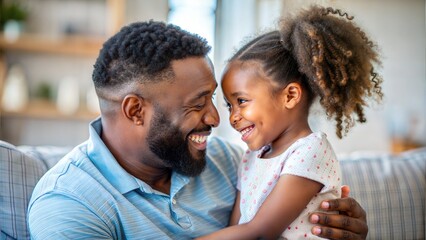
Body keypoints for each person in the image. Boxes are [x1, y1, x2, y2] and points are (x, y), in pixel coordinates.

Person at [28, 20, 369, 239]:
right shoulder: (69, 203)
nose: (218, 119)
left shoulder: (226, 158)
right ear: (135, 110)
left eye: (217, 100)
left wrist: (340, 227)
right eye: (197, 103)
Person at [196, 5, 382, 240]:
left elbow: (260, 232)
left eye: (241, 101)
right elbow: (238, 226)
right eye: (229, 105)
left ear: (290, 96)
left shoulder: (310, 151)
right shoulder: (251, 156)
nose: (232, 117)